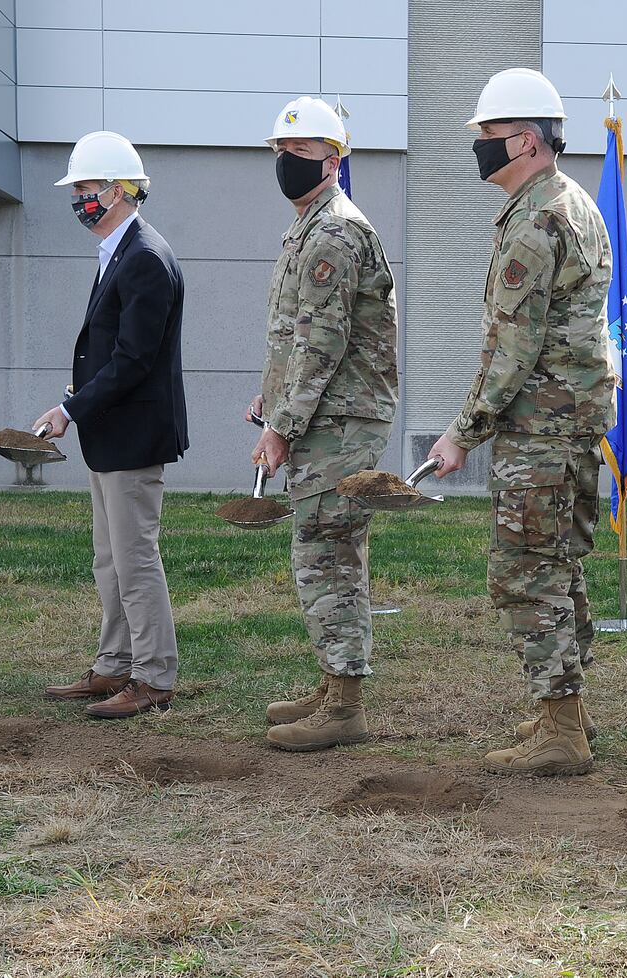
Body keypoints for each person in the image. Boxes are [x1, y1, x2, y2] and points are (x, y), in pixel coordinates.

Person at [427, 68, 614, 776]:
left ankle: (562, 728)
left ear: (527, 141)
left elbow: (512, 349)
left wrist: (461, 433)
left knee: (524, 572)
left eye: (489, 135)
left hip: (540, 427)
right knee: (557, 564)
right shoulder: (573, 204)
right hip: (568, 424)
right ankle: (566, 711)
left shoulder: (537, 222)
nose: (480, 146)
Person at [248, 97, 399, 752]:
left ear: (333, 161)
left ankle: (345, 705)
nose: (287, 163)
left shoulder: (335, 232)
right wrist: (270, 399)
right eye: (281, 152)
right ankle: (333, 683)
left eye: (301, 153)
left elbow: (323, 343)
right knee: (322, 548)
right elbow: (292, 335)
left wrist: (280, 426)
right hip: (326, 416)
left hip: (340, 421)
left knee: (326, 551)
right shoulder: (309, 226)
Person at [37, 131, 189, 720]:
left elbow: (133, 360)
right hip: (112, 436)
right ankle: (113, 664)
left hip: (132, 436)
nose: (80, 200)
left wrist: (70, 409)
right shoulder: (121, 253)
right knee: (111, 558)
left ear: (123, 190)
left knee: (135, 557)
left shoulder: (146, 258)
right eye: (76, 189)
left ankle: (153, 677)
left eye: (87, 188)